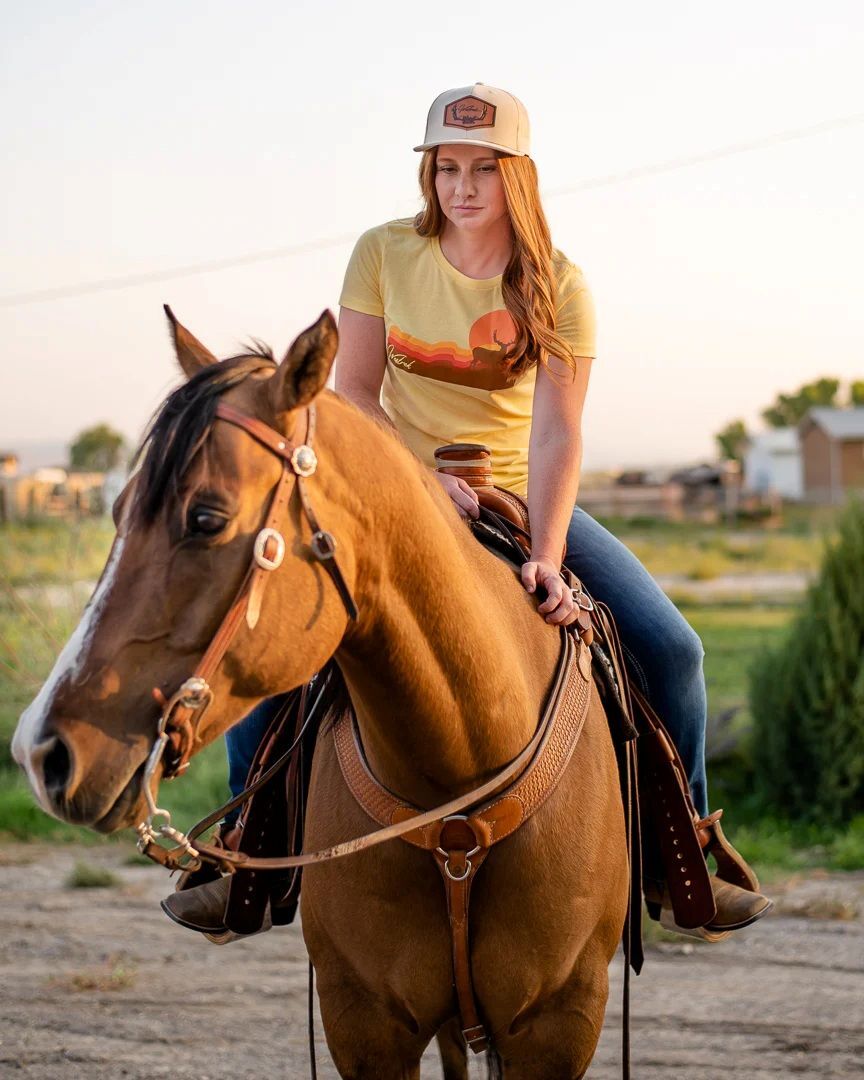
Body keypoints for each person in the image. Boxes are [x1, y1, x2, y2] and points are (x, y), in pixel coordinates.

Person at [163, 83, 771, 938]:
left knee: (673, 648)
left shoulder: (559, 283)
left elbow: (560, 432)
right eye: (445, 167)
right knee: (278, 636)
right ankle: (241, 856)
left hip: (518, 493)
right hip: (393, 495)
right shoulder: (382, 252)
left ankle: (685, 860)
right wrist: (415, 479)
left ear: (516, 175)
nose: (461, 187)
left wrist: (550, 556)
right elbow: (357, 394)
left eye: (482, 169)